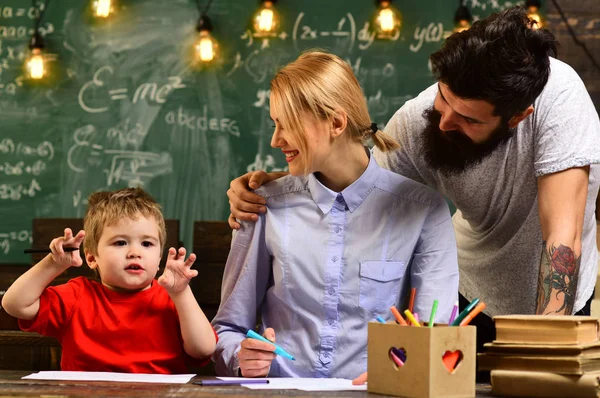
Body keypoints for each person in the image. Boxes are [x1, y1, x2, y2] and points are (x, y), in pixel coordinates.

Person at [226, 6, 600, 357]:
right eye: (444, 98)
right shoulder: (416, 121)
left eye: (468, 119)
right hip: (466, 297)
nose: (445, 121)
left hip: (553, 301)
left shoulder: (560, 101)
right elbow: (356, 183)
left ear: (516, 118)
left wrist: (545, 352)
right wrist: (270, 186)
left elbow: (561, 241)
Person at [211, 51, 459, 379]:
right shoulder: (262, 205)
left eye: (287, 125)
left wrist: (403, 367)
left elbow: (436, 333)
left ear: (336, 123)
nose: (275, 140)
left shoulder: (423, 211)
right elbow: (227, 329)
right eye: (274, 125)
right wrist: (240, 356)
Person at [1, 188, 217, 374]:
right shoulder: (77, 296)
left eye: (147, 244)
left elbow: (204, 349)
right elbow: (15, 304)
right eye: (121, 243)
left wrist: (181, 293)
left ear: (160, 256)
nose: (135, 253)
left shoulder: (173, 299)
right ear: (92, 258)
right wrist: (54, 263)